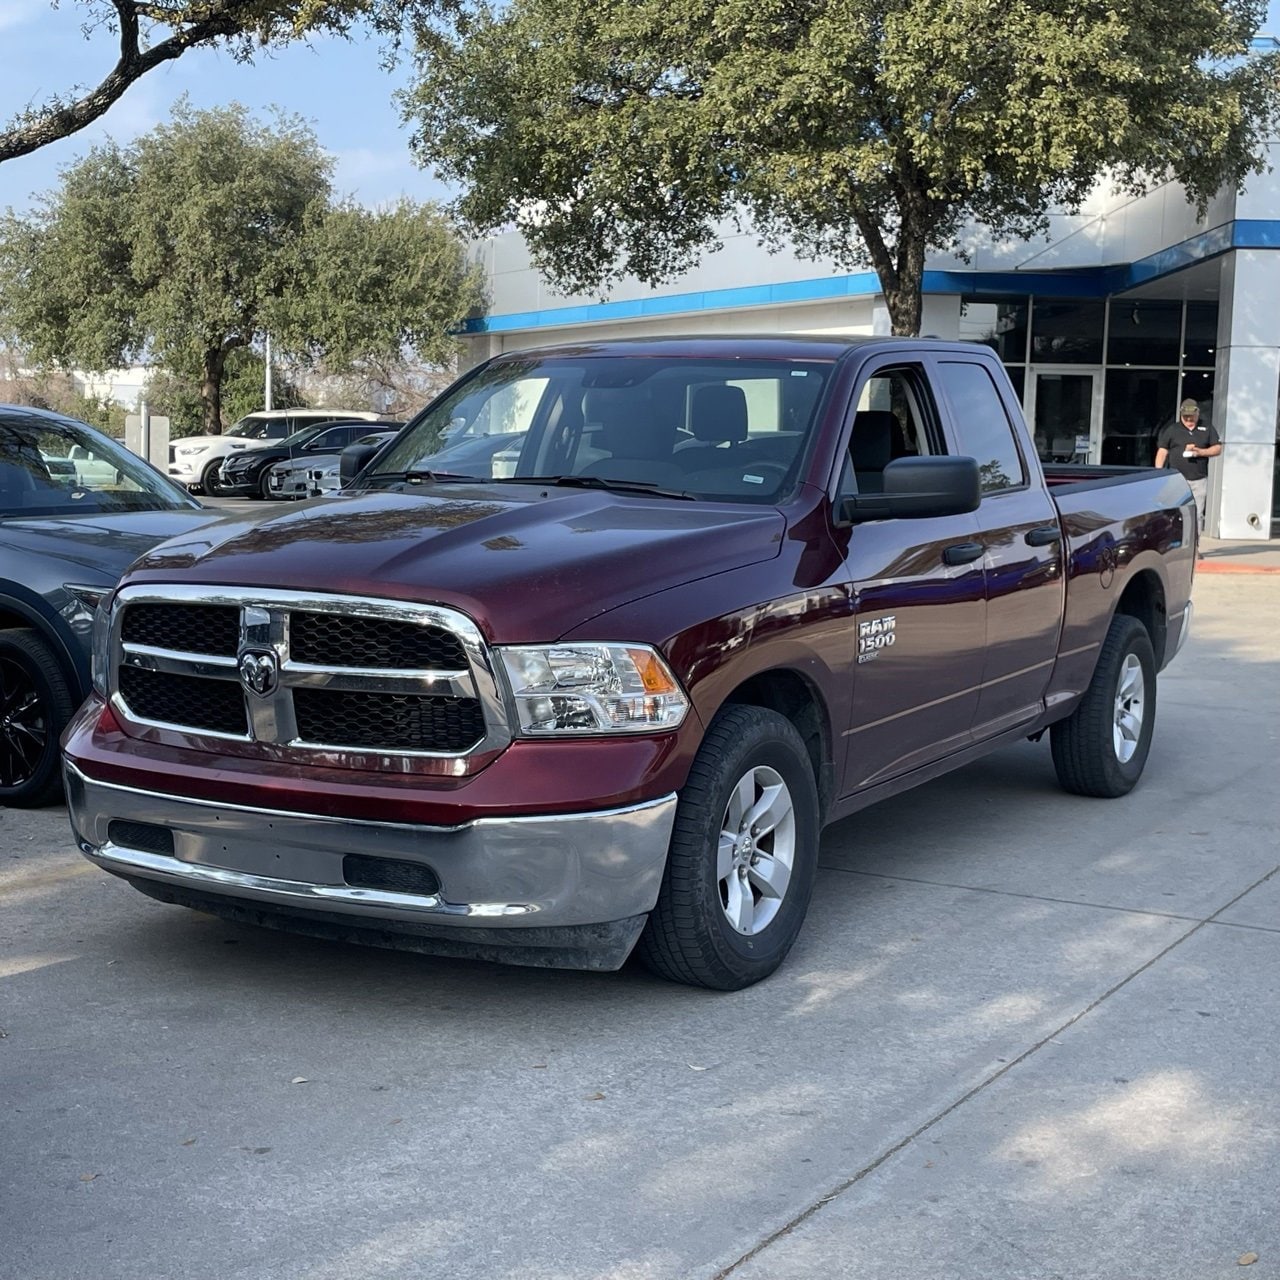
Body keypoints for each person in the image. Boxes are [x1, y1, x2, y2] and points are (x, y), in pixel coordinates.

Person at [1154, 399, 1221, 545]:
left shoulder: (1207, 428)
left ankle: (1194, 547)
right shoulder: (1173, 429)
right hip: (1176, 480)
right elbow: (1162, 451)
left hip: (1198, 479)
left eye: (1191, 417)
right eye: (1186, 417)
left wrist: (1200, 452)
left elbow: (1217, 448)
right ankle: (1173, 544)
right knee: (1173, 512)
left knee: (1196, 514)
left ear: (1197, 413)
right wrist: (1158, 473)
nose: (1189, 420)